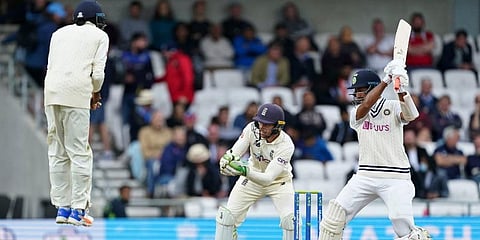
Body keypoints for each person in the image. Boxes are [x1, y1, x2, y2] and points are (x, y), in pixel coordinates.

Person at [319, 61, 431, 239]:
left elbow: (411, 115)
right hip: (365, 175)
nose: (355, 94)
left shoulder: (393, 106)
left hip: (396, 177)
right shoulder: (356, 112)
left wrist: (401, 89)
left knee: (405, 229)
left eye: (359, 90)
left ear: (371, 88)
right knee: (332, 220)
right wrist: (387, 80)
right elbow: (366, 107)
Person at [44, 0, 108, 227]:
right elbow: (98, 75)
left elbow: (52, 66)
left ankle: (62, 207)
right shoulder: (100, 37)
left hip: (51, 93)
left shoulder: (58, 33)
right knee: (80, 152)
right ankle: (78, 209)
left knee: (58, 151)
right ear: (95, 19)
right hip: (76, 93)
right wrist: (95, 93)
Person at [215, 103, 296, 240]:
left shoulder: (286, 145)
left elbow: (268, 178)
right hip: (252, 178)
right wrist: (228, 159)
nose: (261, 127)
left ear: (278, 126)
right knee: (226, 218)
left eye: (267, 124)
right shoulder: (252, 128)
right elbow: (235, 152)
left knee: (291, 222)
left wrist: (242, 170)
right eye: (260, 122)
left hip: (278, 182)